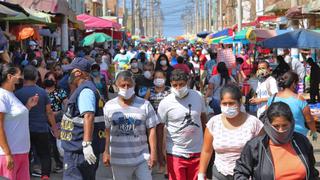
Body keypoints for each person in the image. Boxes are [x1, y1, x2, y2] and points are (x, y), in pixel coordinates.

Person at [234, 102, 319, 179]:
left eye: (285, 125)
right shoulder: (255, 146)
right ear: (268, 124)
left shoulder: (302, 142)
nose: (281, 130)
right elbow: (240, 172)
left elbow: (312, 171)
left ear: (292, 123)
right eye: (276, 126)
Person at [198, 84, 263, 180]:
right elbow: (206, 151)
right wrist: (201, 174)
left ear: (240, 102)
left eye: (231, 103)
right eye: (224, 104)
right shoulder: (214, 123)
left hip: (246, 175)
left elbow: (262, 151)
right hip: (219, 174)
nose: (228, 107)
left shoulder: (254, 123)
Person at [102, 70, 158, 180]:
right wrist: (105, 152)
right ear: (117, 86)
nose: (126, 88)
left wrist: (154, 153)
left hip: (142, 158)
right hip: (118, 160)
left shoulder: (145, 105)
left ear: (134, 85)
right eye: (123, 85)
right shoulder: (109, 106)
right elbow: (106, 131)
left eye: (129, 85)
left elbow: (152, 130)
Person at [60, 58, 106, 180]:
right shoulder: (86, 89)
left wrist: (86, 144)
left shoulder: (85, 91)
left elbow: (89, 116)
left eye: (69, 72)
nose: (68, 76)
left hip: (78, 151)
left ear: (78, 73)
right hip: (77, 149)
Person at [158, 69, 207, 180]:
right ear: (170, 84)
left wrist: (206, 144)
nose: (178, 88)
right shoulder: (165, 102)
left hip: (198, 152)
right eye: (175, 85)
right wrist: (160, 152)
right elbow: (159, 128)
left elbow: (203, 119)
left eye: (181, 84)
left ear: (187, 82)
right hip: (175, 153)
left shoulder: (198, 96)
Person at [15, 65, 59, 180]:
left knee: (26, 155)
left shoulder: (17, 94)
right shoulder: (42, 92)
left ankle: (26, 176)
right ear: (36, 78)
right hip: (41, 129)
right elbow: (49, 112)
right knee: (45, 154)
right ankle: (45, 176)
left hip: (24, 130)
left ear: (23, 77)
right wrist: (55, 129)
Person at [0, 63, 39, 180]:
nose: (21, 77)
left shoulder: (11, 94)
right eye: (19, 75)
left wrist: (28, 106)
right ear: (9, 77)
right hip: (9, 154)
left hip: (21, 151)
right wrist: (7, 153)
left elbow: (14, 118)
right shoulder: (2, 96)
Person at [268, 71, 317, 138]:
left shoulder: (272, 98)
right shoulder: (299, 99)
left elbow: (267, 116)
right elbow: (309, 120)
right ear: (294, 83)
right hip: (298, 137)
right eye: (297, 83)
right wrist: (314, 131)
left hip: (277, 136)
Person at [43, 71, 67, 173]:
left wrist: (60, 112)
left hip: (58, 120)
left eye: (52, 79)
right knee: (49, 144)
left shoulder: (60, 91)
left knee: (59, 143)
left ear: (56, 81)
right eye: (48, 78)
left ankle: (60, 163)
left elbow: (66, 104)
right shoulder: (41, 92)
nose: (50, 80)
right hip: (45, 121)